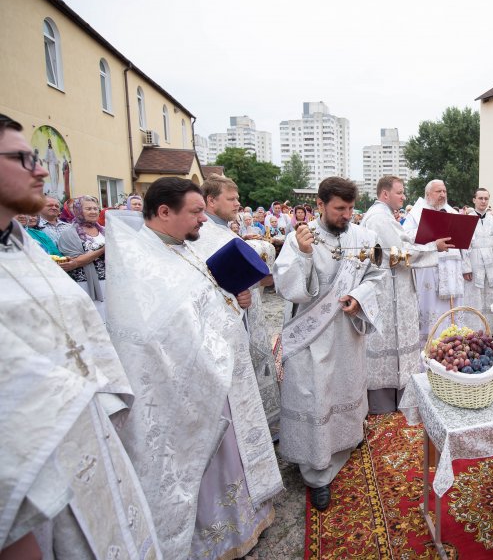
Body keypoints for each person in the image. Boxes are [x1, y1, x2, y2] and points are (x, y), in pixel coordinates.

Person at [0, 114, 161, 559]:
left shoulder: (18, 243)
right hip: (28, 472)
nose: (41, 170)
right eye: (22, 158)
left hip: (86, 434)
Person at [105, 177, 282, 558]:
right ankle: (213, 543)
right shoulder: (141, 262)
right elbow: (157, 334)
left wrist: (234, 299)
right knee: (204, 468)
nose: (204, 219)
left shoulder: (181, 248)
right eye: (196, 211)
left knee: (230, 456)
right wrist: (227, 309)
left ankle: (243, 524)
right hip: (185, 391)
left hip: (218, 376)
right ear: (164, 212)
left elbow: (206, 299)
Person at [274, 177, 383, 511]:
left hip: (346, 332)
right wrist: (305, 255)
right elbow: (287, 288)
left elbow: (376, 276)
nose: (347, 215)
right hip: (312, 335)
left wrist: (359, 296)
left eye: (350, 208)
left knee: (345, 387)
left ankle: (347, 441)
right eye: (339, 208)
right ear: (320, 205)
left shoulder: (363, 237)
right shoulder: (300, 239)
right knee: (316, 395)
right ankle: (318, 473)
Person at [195, 174, 281, 435]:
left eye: (238, 198)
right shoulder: (203, 234)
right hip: (224, 323)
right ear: (211, 201)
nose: (237, 203)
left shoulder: (221, 230)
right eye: (231, 199)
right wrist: (234, 297)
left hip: (244, 312)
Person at [361, 176, 442, 414]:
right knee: (387, 339)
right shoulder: (378, 218)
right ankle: (385, 402)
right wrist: (433, 247)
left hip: (395, 286)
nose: (404, 197)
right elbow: (399, 253)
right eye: (399, 192)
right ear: (385, 194)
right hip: (388, 289)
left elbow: (401, 241)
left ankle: (397, 397)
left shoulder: (384, 216)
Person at [403, 180, 467, 347]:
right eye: (438, 191)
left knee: (452, 310)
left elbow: (466, 238)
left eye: (444, 191)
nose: (442, 195)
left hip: (452, 271)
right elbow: (405, 236)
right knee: (431, 307)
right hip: (429, 269)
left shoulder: (451, 212)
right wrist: (429, 234)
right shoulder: (416, 213)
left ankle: (453, 345)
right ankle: (430, 346)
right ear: (428, 194)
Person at [461, 188, 493, 330]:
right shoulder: (466, 220)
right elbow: (463, 245)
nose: (483, 201)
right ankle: (473, 330)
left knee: (492, 296)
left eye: (486, 198)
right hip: (473, 261)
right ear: (474, 200)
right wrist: (466, 268)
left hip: (491, 262)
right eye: (480, 198)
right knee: (474, 296)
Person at [58, 195, 108, 320]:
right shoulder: (69, 233)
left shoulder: (105, 231)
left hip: (109, 283)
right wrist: (103, 249)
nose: (93, 212)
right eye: (88, 209)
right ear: (78, 211)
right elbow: (76, 261)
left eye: (95, 209)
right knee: (94, 319)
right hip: (85, 285)